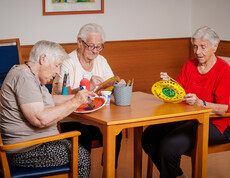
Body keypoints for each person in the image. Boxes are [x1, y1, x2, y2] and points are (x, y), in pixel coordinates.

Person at [141, 26, 230, 178]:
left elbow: (223, 109)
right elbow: (177, 96)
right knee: (149, 137)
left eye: (203, 47)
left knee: (169, 146)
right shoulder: (190, 65)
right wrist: (167, 85)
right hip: (188, 119)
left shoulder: (224, 70)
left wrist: (200, 103)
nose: (197, 51)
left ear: (215, 46)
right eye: (195, 46)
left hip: (216, 124)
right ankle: (178, 176)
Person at [0, 40, 95, 178]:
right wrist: (75, 102)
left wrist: (79, 97)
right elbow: (40, 119)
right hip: (25, 151)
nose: (57, 72)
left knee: (81, 145)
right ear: (43, 59)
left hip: (36, 145)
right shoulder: (24, 77)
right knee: (82, 157)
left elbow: (50, 100)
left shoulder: (31, 76)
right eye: (56, 66)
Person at [52, 23, 123, 169]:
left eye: (99, 46)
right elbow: (60, 92)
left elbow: (110, 84)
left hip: (97, 117)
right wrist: (86, 86)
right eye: (91, 46)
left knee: (116, 133)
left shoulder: (101, 61)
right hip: (69, 118)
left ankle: (109, 171)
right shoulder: (67, 61)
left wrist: (118, 85)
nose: (96, 51)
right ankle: (83, 172)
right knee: (83, 136)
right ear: (79, 42)